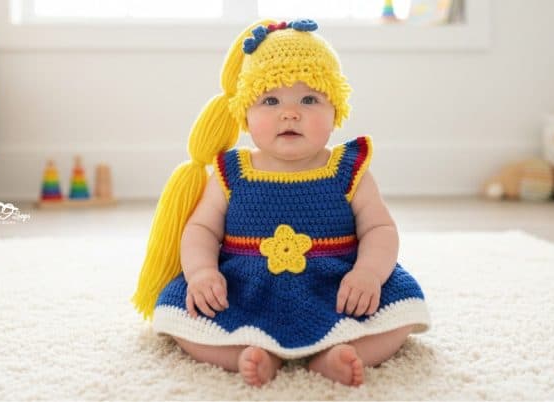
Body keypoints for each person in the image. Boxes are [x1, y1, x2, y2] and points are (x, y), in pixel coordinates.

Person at [133, 18, 430, 387]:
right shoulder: (230, 171)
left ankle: (334, 355)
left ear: (336, 109)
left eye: (309, 99)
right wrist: (202, 272)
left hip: (335, 284)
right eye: (270, 100)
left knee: (402, 310)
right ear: (244, 113)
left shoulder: (348, 169)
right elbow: (202, 229)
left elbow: (379, 228)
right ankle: (245, 354)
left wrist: (368, 273)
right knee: (179, 312)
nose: (290, 113)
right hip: (246, 286)